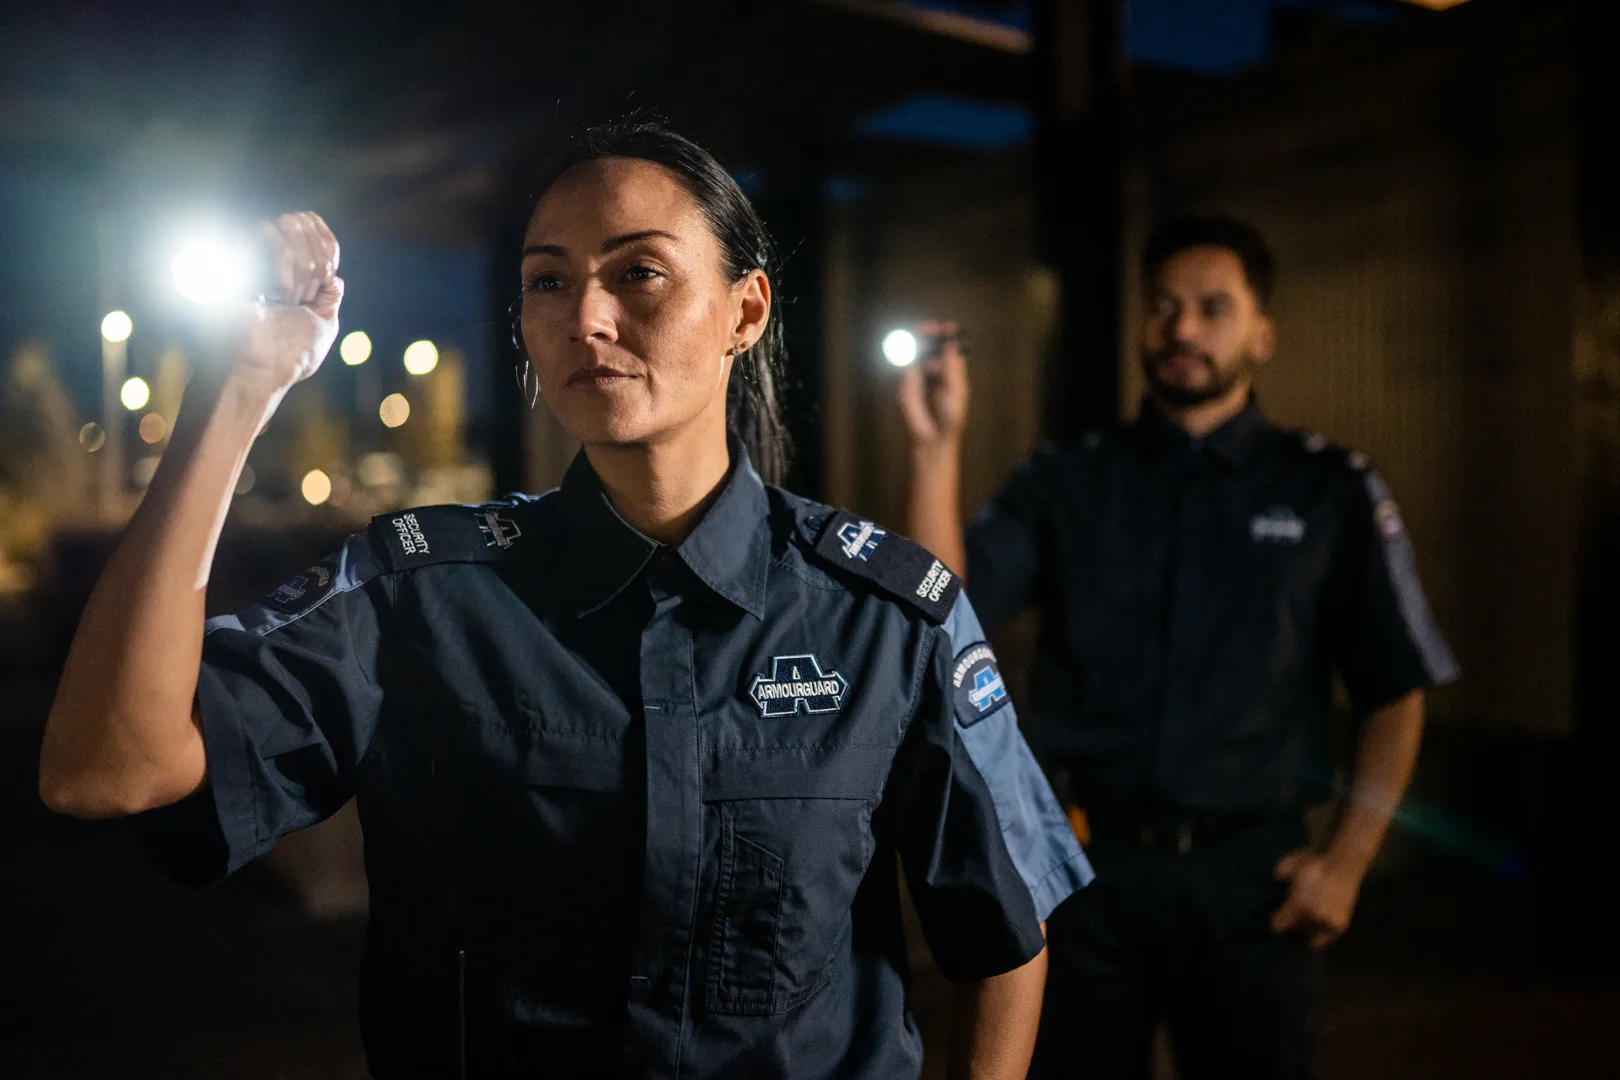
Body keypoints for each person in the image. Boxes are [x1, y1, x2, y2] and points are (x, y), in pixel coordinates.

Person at [38, 122, 1092, 1080]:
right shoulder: (420, 595)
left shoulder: (883, 613)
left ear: (745, 311)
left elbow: (1003, 928)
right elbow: (105, 770)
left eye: (638, 274)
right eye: (548, 283)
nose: (587, 317)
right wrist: (235, 399)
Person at [898, 215, 1459, 1079]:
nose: (1183, 328)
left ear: (1262, 334)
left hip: (1254, 884)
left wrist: (1344, 864)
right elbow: (943, 606)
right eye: (1163, 306)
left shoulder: (1329, 492)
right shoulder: (1071, 478)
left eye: (1212, 308)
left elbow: (1396, 689)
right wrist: (936, 447)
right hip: (1085, 871)